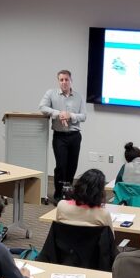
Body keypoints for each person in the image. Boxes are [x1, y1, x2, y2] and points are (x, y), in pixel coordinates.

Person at [39, 70, 86, 203]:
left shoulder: (79, 97)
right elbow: (42, 107)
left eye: (66, 79)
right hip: (60, 136)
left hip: (75, 136)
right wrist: (59, 113)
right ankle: (59, 193)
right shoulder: (51, 93)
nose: (64, 82)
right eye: (61, 80)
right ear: (58, 81)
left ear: (71, 81)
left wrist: (70, 115)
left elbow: (84, 116)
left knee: (72, 165)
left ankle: (68, 191)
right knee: (61, 166)